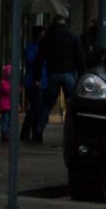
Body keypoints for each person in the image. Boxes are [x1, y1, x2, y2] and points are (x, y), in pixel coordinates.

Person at [31, 15, 87, 145]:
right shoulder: (73, 37)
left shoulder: (47, 38)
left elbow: (40, 58)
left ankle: (38, 132)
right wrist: (83, 76)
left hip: (53, 74)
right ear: (64, 23)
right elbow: (80, 58)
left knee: (47, 104)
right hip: (69, 74)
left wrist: (37, 76)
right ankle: (76, 133)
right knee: (73, 105)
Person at [19, 25, 47, 142]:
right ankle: (26, 131)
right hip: (33, 82)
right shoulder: (31, 48)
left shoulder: (44, 47)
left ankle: (36, 132)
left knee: (39, 108)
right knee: (36, 107)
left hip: (43, 81)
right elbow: (31, 61)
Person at [0, 65, 12, 143]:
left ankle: (7, 133)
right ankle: (4, 133)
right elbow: (7, 91)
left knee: (9, 121)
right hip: (5, 106)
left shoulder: (9, 84)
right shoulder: (4, 84)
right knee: (5, 120)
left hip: (9, 106)